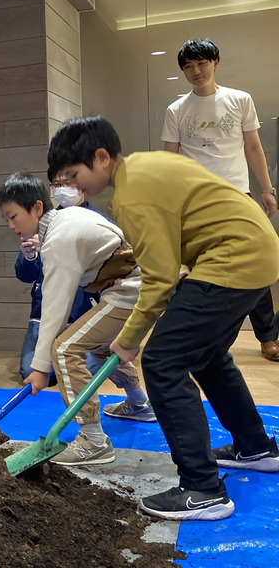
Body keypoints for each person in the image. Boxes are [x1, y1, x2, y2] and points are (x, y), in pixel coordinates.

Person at [48, 115, 279, 521]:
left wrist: (130, 338)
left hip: (232, 259)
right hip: (257, 252)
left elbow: (158, 278)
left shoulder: (133, 193)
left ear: (101, 158)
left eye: (73, 174)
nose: (71, 186)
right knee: (208, 357)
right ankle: (255, 447)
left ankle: (202, 489)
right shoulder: (147, 166)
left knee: (162, 362)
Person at [0, 173, 154, 466]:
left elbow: (54, 309)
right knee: (99, 345)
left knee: (66, 349)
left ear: (37, 208)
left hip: (128, 291)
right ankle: (139, 403)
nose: (11, 225)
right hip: (125, 288)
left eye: (14, 216)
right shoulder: (64, 222)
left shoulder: (59, 239)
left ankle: (93, 441)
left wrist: (41, 368)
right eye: (6, 219)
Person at [162, 38, 279, 362]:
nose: (195, 71)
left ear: (215, 63)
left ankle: (268, 337)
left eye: (201, 63)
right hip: (195, 199)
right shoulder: (177, 109)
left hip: (237, 194)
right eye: (188, 66)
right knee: (202, 269)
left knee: (252, 263)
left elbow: (253, 148)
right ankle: (205, 337)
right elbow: (170, 161)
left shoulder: (239, 100)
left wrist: (267, 190)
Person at [15, 169, 107, 384]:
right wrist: (29, 256)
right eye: (56, 184)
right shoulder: (44, 223)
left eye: (68, 183)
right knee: (31, 371)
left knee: (80, 373)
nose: (61, 188)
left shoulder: (99, 222)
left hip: (84, 315)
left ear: (82, 186)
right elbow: (24, 275)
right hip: (45, 315)